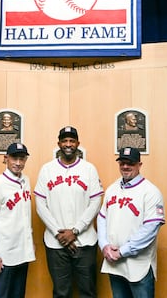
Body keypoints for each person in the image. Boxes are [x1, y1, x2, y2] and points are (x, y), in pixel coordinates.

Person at [34, 126, 103, 298]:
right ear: (59, 144)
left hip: (85, 242)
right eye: (64, 141)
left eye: (72, 141)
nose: (68, 144)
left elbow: (95, 202)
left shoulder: (89, 169)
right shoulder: (47, 169)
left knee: (87, 291)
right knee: (61, 292)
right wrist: (60, 234)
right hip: (55, 243)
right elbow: (40, 204)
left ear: (78, 144)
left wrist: (75, 231)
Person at [97, 147, 165, 298]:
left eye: (130, 163)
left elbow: (150, 229)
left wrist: (122, 251)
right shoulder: (112, 189)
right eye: (122, 163)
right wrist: (104, 245)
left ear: (139, 165)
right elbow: (102, 218)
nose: (125, 166)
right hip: (114, 263)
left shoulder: (151, 192)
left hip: (138, 265)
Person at [0, 143, 35, 298]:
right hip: (4, 253)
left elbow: (25, 215)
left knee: (18, 294)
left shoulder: (26, 180)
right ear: (6, 158)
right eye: (14, 158)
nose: (18, 163)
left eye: (22, 158)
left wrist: (29, 240)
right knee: (0, 295)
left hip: (22, 251)